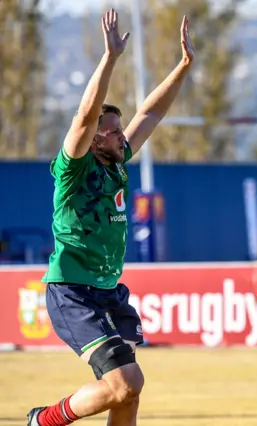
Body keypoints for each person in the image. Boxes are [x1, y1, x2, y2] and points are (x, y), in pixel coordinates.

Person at [28, 9, 194, 426]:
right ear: (96, 138)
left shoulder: (117, 164)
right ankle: (42, 421)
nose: (124, 136)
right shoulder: (74, 168)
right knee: (125, 383)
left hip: (108, 291)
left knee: (128, 396)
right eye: (115, 131)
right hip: (73, 291)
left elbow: (150, 116)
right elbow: (84, 117)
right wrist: (111, 58)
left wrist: (184, 67)